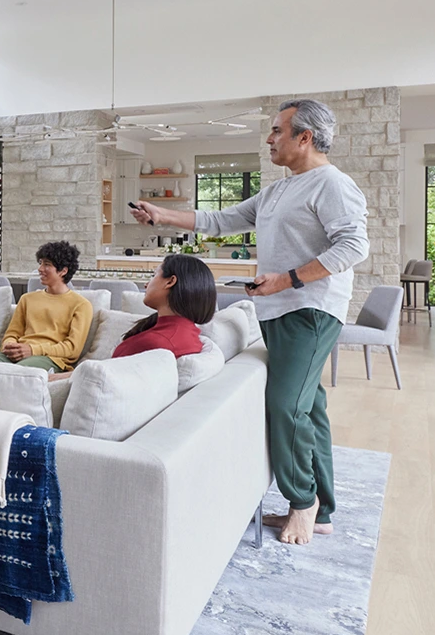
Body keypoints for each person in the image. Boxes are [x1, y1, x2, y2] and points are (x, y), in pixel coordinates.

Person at [131, 99, 369, 545]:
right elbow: (221, 219)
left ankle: (302, 502)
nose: (270, 138)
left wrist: (288, 279)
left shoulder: (332, 184)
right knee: (308, 406)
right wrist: (161, 214)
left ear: (305, 137)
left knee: (286, 406)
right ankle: (322, 509)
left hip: (310, 310)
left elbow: (354, 246)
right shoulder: (280, 190)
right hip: (278, 309)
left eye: (278, 130)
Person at [0, 240, 93, 372]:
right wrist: (10, 345)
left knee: (16, 373)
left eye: (47, 264)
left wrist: (32, 350)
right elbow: (12, 333)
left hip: (50, 358)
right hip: (18, 352)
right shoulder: (27, 299)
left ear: (63, 271)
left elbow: (72, 349)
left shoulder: (81, 305)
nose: (40, 269)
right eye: (40, 263)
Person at [112, 253, 217, 359]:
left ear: (170, 282)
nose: (146, 284)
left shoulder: (152, 343)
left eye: (153, 275)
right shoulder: (188, 336)